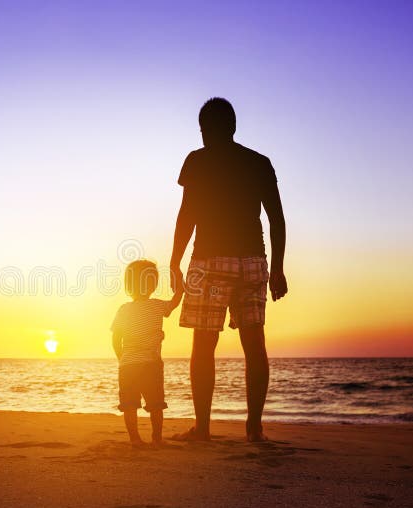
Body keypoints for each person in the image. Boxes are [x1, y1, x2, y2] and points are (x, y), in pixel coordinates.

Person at [169, 97, 288, 443]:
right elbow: (276, 219)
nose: (205, 136)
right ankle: (254, 429)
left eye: (205, 130)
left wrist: (175, 261)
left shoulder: (197, 161)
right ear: (233, 127)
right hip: (253, 261)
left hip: (209, 260)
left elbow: (186, 214)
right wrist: (277, 268)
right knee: (255, 344)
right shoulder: (258, 162)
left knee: (203, 345)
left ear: (207, 129)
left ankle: (203, 429)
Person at [111, 260, 183, 447]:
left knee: (129, 405)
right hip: (151, 363)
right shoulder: (157, 306)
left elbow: (115, 339)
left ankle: (135, 439)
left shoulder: (124, 309)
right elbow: (174, 303)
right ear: (153, 284)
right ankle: (157, 439)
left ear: (129, 284)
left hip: (127, 366)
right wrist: (180, 288)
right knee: (156, 404)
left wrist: (122, 358)